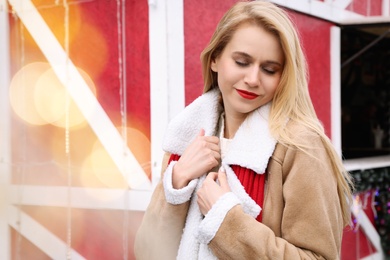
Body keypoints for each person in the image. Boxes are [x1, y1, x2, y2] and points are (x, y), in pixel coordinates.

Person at [134, 1, 354, 259]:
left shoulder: (302, 147)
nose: (253, 79)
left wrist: (226, 220)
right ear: (215, 59)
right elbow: (148, 253)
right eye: (241, 62)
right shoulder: (187, 140)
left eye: (269, 69)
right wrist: (177, 180)